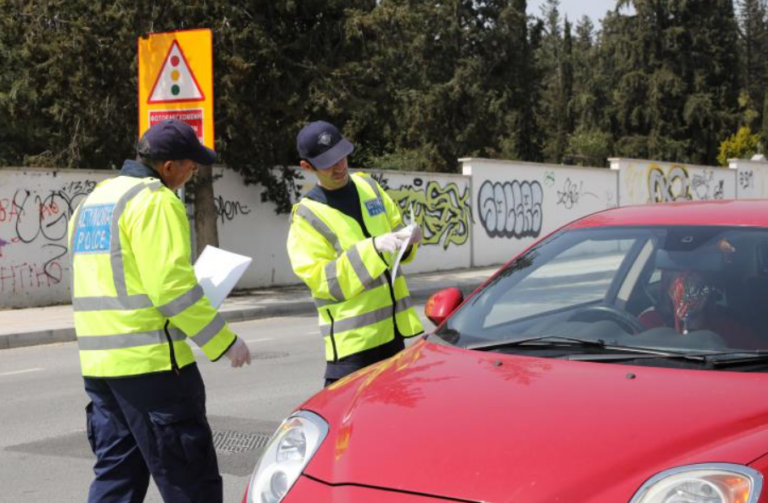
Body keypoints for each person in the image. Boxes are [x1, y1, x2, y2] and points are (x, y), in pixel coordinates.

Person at [68, 119, 251, 503]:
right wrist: (224, 341)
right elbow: (172, 289)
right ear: (167, 167)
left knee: (116, 478)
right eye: (189, 164)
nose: (192, 172)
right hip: (154, 370)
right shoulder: (154, 200)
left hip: (101, 370)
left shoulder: (93, 201)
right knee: (190, 482)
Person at [287, 120, 424, 386]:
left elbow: (396, 235)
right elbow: (325, 282)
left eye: (341, 156)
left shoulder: (368, 186)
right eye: (328, 162)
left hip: (394, 336)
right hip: (353, 350)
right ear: (307, 167)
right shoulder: (306, 217)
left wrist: (408, 242)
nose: (339, 166)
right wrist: (371, 249)